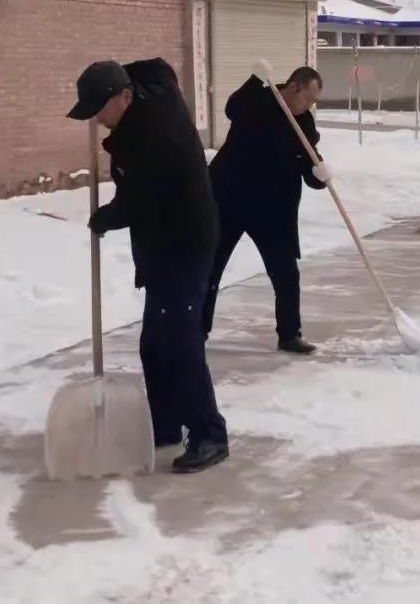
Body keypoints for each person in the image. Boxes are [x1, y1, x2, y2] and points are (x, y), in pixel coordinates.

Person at [68, 59, 228, 474]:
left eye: (100, 110)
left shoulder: (152, 138)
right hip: (162, 244)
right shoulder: (151, 88)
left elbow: (139, 202)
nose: (98, 120)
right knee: (155, 343)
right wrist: (115, 71)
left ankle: (209, 433)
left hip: (184, 243)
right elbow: (158, 66)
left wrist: (105, 218)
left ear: (124, 98)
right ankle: (165, 425)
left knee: (178, 342)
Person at [203, 67, 330, 355]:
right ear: (295, 87)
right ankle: (197, 330)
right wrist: (254, 79)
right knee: (210, 267)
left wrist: (319, 174)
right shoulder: (259, 99)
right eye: (308, 98)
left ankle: (290, 334)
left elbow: (308, 161)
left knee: (286, 273)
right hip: (230, 199)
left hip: (273, 210)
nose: (310, 106)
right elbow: (232, 108)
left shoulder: (304, 123)